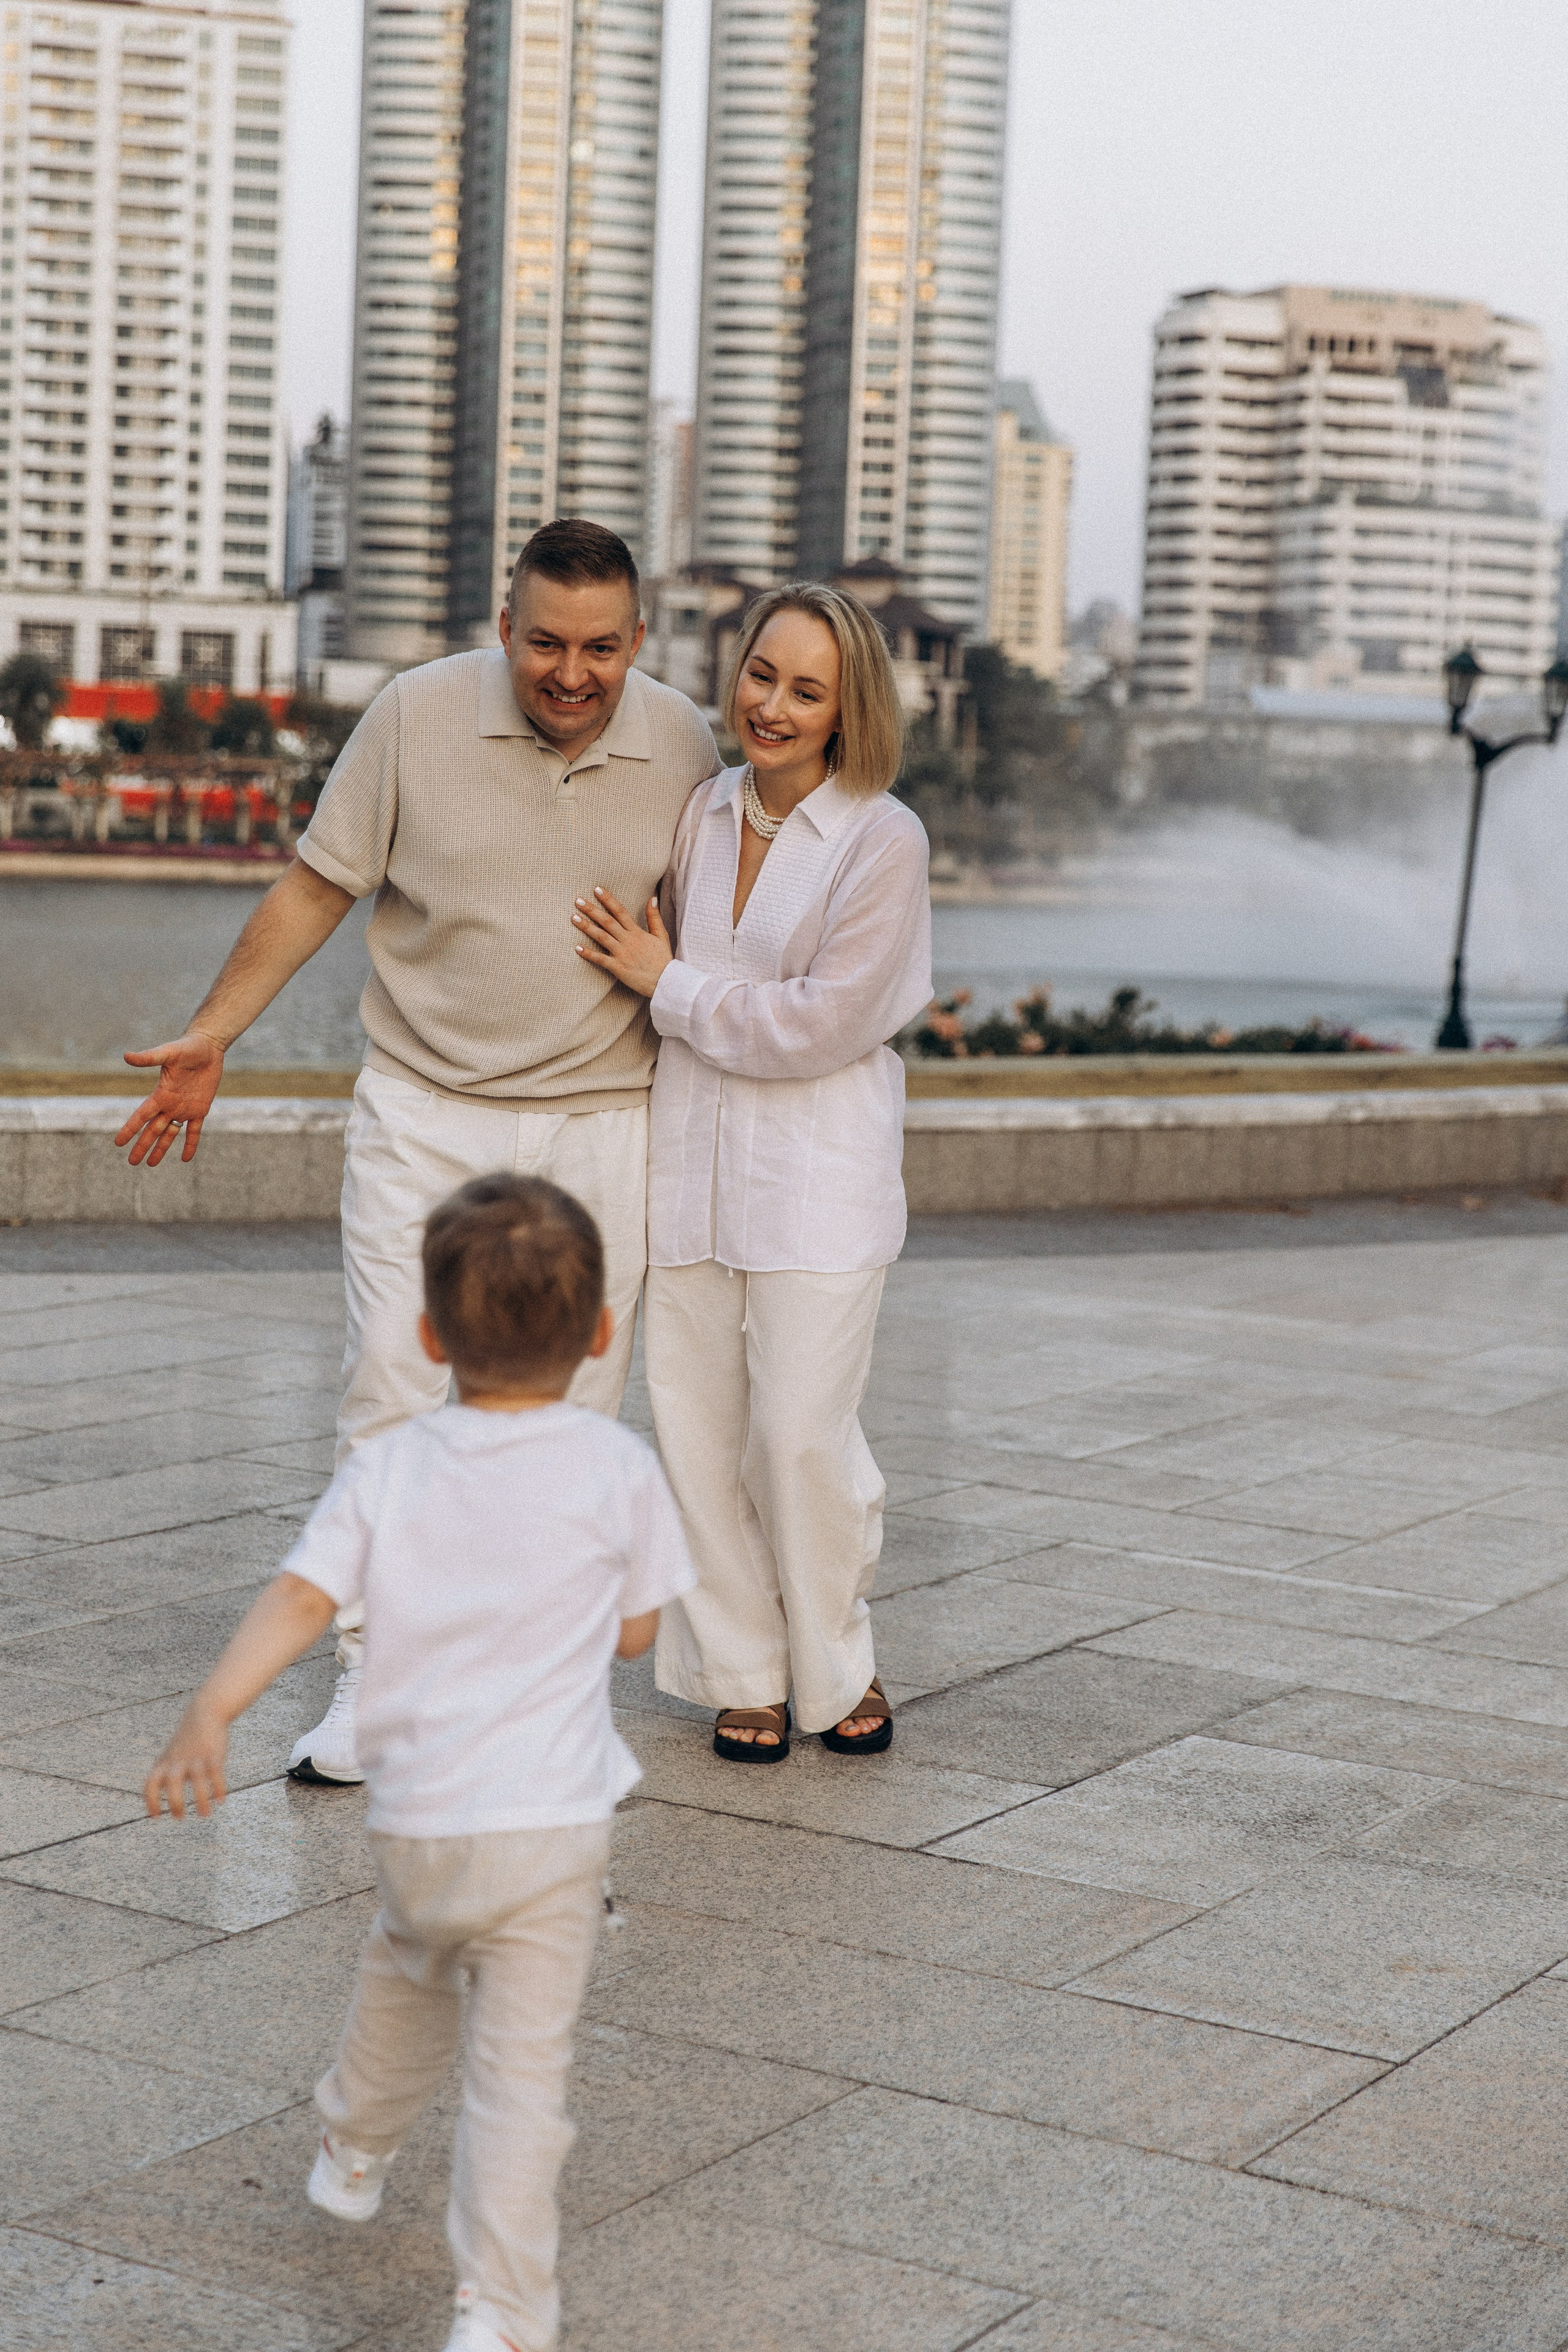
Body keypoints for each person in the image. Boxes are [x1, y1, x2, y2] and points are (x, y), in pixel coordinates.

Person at [115, 519, 717, 1786]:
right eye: (545, 642)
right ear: (503, 627)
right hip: (425, 1105)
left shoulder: (684, 743)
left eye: (600, 648)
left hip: (603, 1117)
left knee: (574, 1418)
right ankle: (373, 1687)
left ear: (637, 643)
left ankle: (540, 1701)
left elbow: (717, 933)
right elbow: (316, 888)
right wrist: (214, 1034)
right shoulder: (411, 714)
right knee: (391, 1385)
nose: (571, 672)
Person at [144, 1174, 695, 2352]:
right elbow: (640, 1636)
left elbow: (302, 1596)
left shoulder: (389, 1469)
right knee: (518, 2084)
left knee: (405, 1971)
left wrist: (212, 1713)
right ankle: (498, 2313)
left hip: (420, 1824)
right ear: (601, 1335)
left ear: (431, 1334)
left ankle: (354, 2141)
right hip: (551, 1829)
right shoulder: (619, 1468)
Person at [570, 581, 930, 1760]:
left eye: (805, 690)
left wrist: (665, 984)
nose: (770, 705)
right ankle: (742, 1668)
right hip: (689, 1168)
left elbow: (826, 1023)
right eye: (760, 674)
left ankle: (838, 1662)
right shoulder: (700, 812)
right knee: (695, 1434)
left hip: (818, 1185)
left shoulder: (883, 837)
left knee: (798, 1438)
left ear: (846, 709)